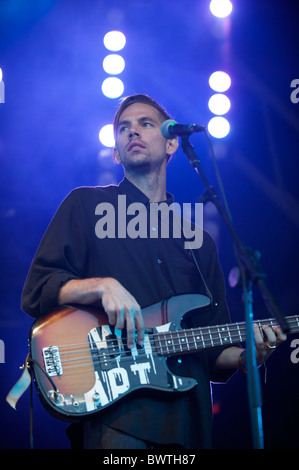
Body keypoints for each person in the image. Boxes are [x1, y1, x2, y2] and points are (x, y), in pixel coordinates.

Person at [21, 94, 286, 449]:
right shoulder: (86, 206)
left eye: (146, 124)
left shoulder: (199, 243)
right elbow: (38, 288)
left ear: (173, 143)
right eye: (123, 129)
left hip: (190, 426)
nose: (133, 132)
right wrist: (101, 286)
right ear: (116, 152)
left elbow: (210, 350)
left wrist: (246, 357)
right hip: (119, 420)